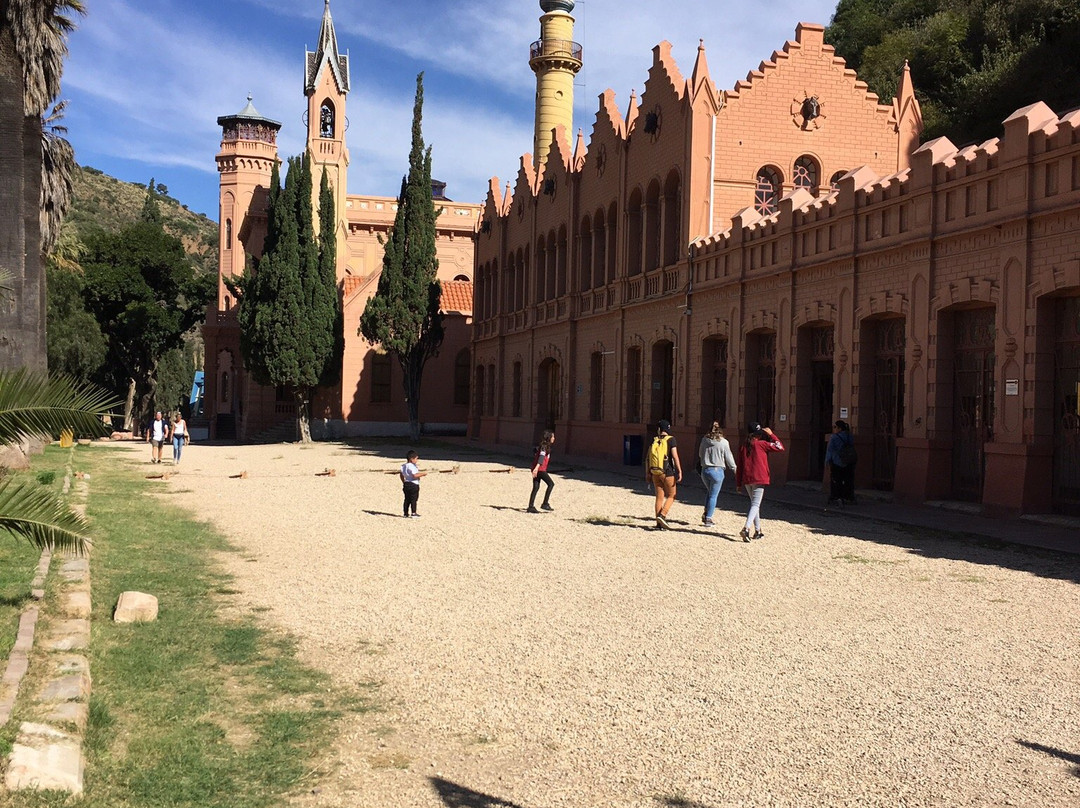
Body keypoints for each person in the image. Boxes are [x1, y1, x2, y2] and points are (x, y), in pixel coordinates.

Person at [735, 422, 785, 542]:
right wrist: (772, 435)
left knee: (754, 504)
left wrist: (738, 483)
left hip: (747, 479)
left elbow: (739, 466)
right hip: (759, 478)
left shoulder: (744, 446)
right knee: (756, 505)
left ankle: (758, 531)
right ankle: (746, 528)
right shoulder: (762, 444)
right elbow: (780, 447)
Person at [697, 421, 737, 527]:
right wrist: (735, 469)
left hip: (705, 470)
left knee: (709, 492)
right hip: (717, 470)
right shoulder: (724, 442)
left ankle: (706, 514)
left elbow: (700, 454)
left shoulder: (704, 440)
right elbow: (729, 457)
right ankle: (709, 518)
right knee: (713, 495)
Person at [647, 419, 682, 529]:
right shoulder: (671, 440)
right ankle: (663, 515)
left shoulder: (654, 440)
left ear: (659, 429)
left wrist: (648, 473)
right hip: (667, 472)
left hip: (655, 471)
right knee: (672, 495)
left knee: (659, 497)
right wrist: (679, 470)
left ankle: (658, 524)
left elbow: (647, 458)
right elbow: (675, 456)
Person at [825, 420, 857, 507]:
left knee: (836, 480)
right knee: (848, 480)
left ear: (839, 428)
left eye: (835, 427)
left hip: (837, 462)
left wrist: (827, 461)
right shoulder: (849, 436)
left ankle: (837, 497)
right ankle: (849, 497)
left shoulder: (834, 437)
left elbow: (830, 450)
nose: (834, 429)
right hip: (849, 462)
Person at [527, 430, 556, 513]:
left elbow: (536, 451)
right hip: (540, 469)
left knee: (536, 487)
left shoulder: (544, 446)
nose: (554, 438)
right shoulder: (544, 447)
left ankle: (530, 506)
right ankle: (545, 503)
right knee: (551, 484)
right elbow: (541, 458)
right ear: (549, 437)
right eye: (553, 437)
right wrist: (536, 468)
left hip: (537, 469)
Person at [400, 450, 427, 518]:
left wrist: (404, 481)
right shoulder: (411, 466)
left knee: (407, 499)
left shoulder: (403, 466)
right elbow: (415, 475)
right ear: (412, 459)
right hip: (413, 484)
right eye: (416, 459)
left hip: (406, 484)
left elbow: (401, 475)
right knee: (413, 499)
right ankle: (413, 513)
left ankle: (405, 513)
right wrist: (423, 474)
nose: (417, 460)